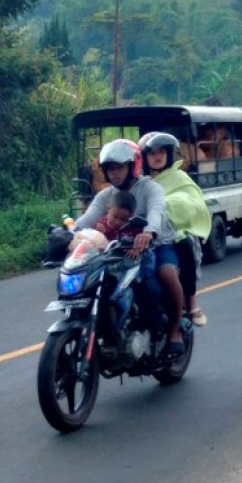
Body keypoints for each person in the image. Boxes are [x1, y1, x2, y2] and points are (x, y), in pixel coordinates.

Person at [73, 139, 186, 356]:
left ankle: (173, 330)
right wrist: (67, 232)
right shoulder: (107, 195)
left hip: (158, 244)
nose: (114, 173)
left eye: (119, 167)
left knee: (167, 274)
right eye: (110, 169)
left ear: (132, 165)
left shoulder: (152, 188)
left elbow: (156, 212)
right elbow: (87, 219)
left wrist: (148, 232)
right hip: (121, 249)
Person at [139, 131, 213, 327]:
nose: (157, 156)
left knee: (182, 248)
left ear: (169, 154)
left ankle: (189, 304)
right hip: (138, 236)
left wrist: (167, 206)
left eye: (161, 151)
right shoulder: (138, 180)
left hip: (169, 234)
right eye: (151, 152)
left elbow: (192, 203)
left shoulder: (179, 177)